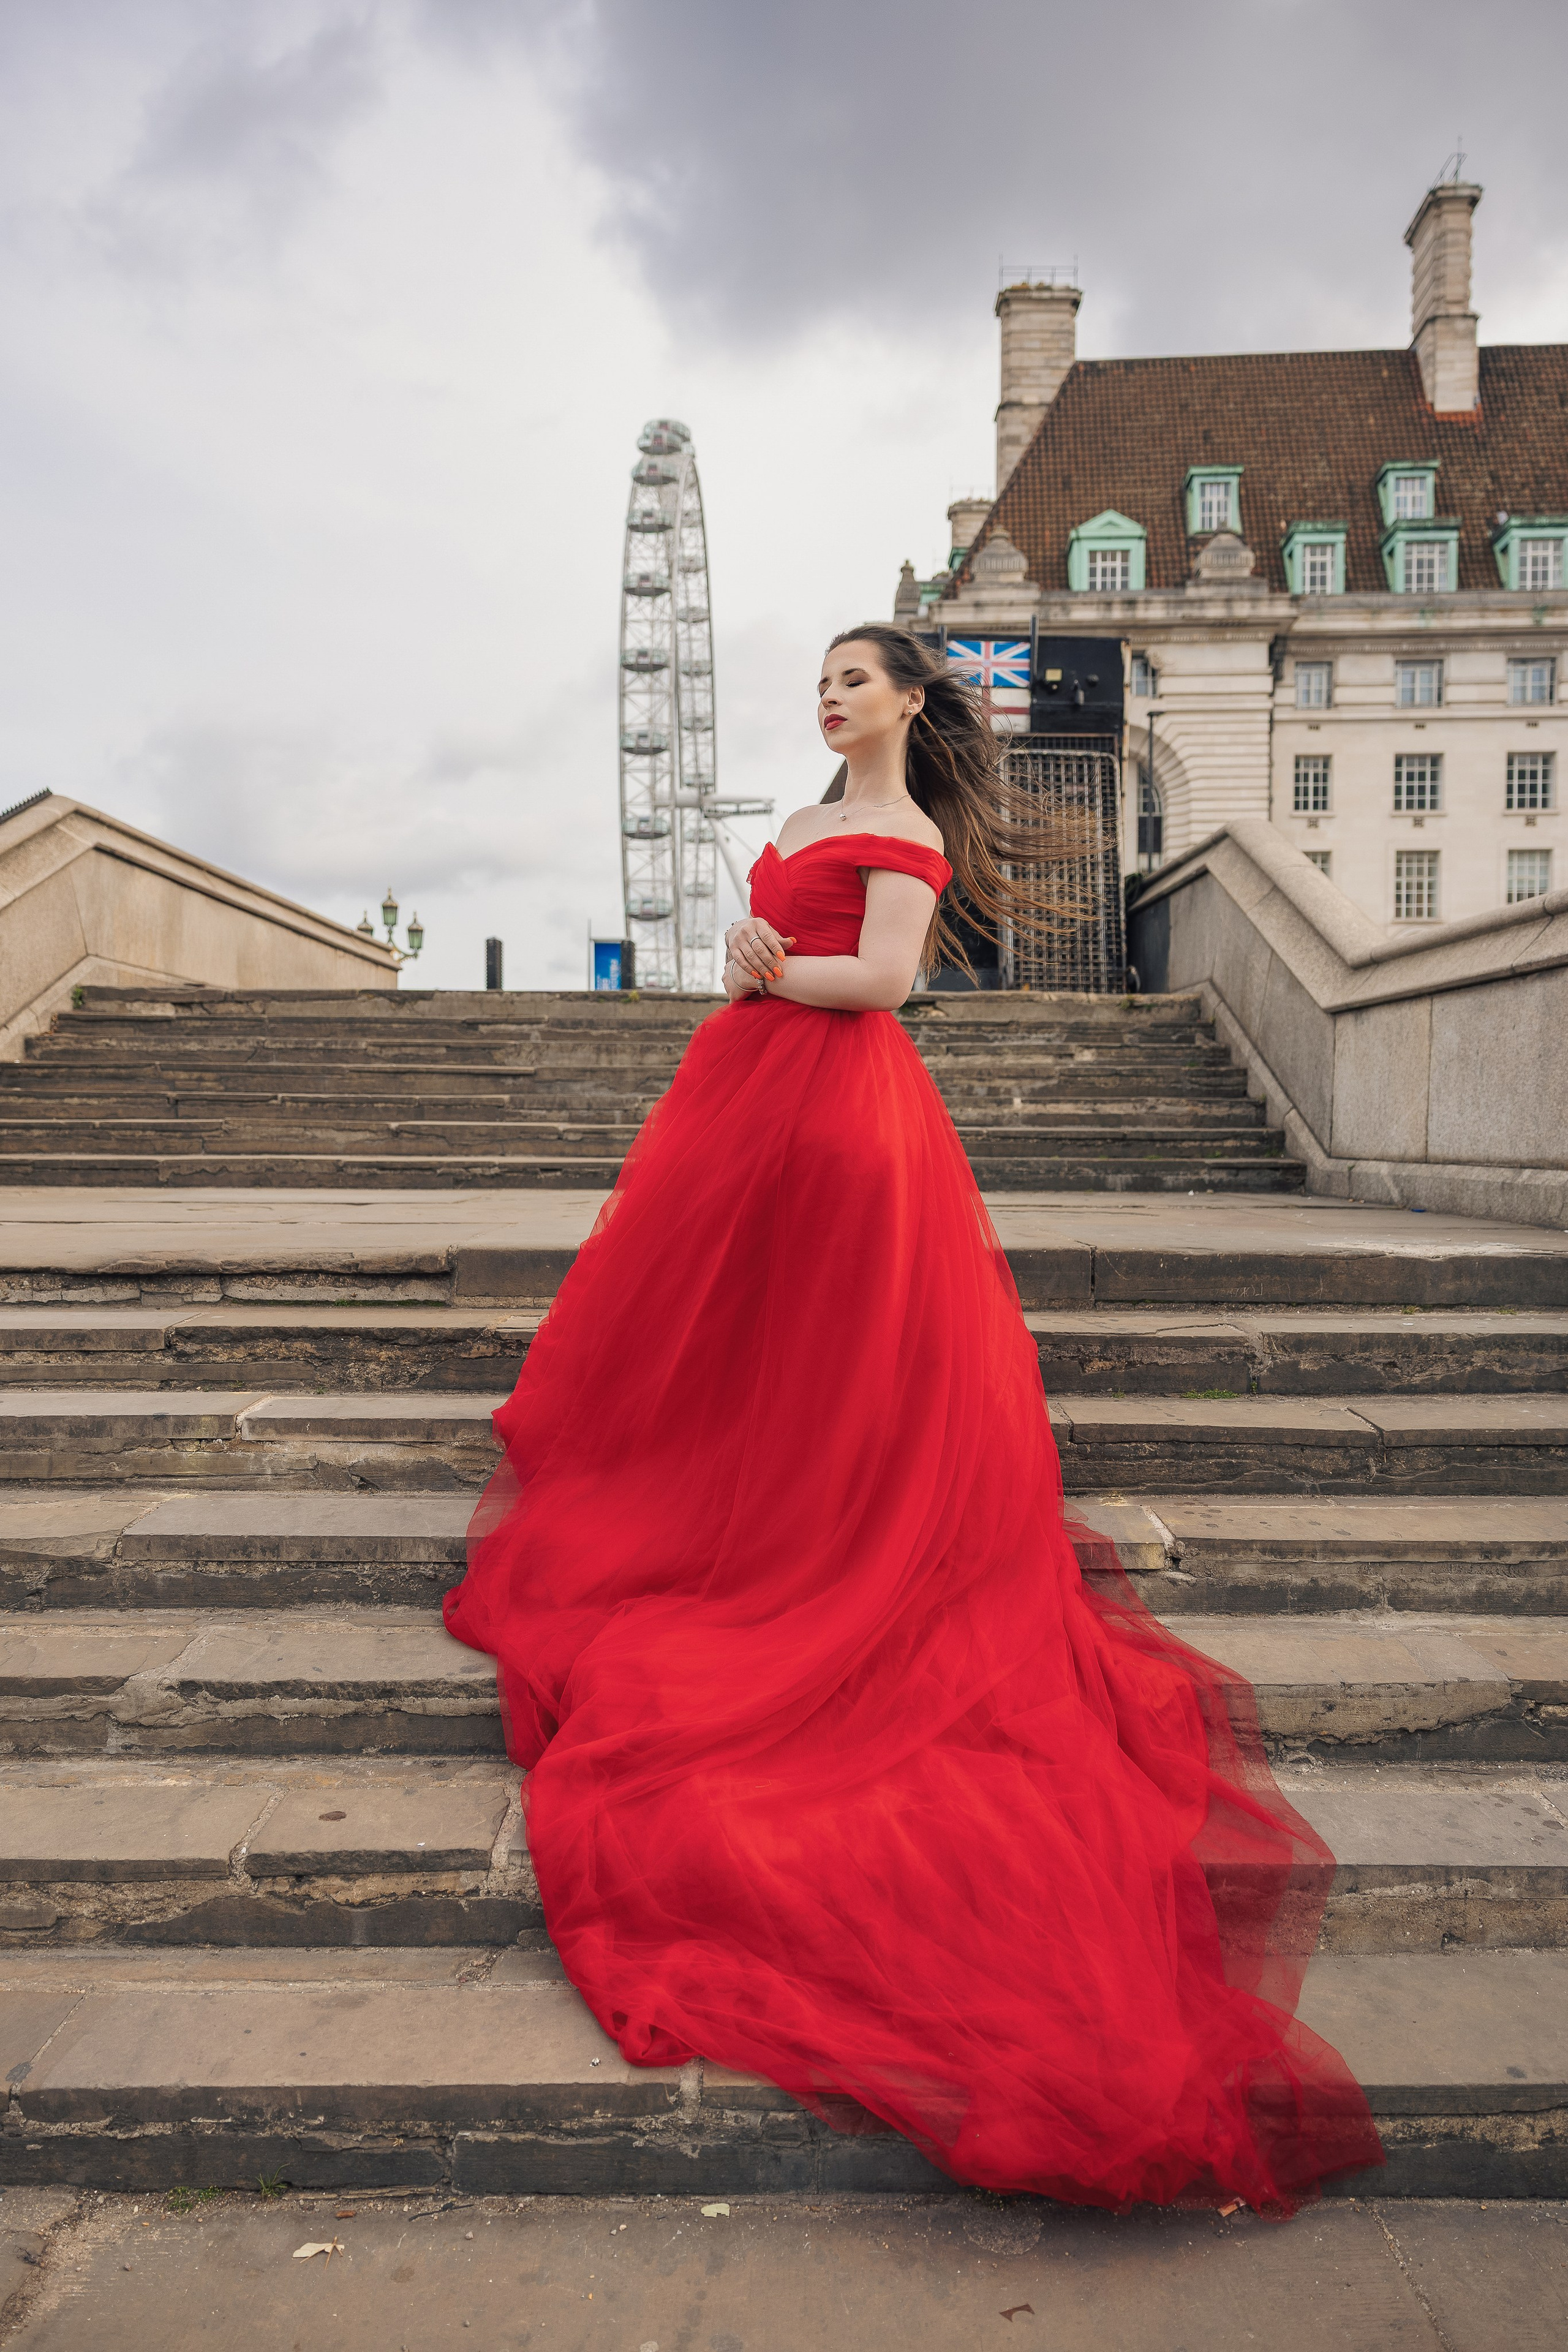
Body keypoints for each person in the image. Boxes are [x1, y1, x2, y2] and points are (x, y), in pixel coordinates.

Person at [443, 624, 1384, 2212]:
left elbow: (884, 983)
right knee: (739, 1368)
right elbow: (790, 961)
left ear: (912, 703)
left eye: (856, 681)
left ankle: (803, 1572)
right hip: (747, 1102)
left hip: (840, 1114)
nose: (830, 698)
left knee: (822, 1380)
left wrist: (765, 970)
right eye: (819, 680)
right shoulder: (808, 820)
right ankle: (742, 1537)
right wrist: (742, 996)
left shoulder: (905, 832)